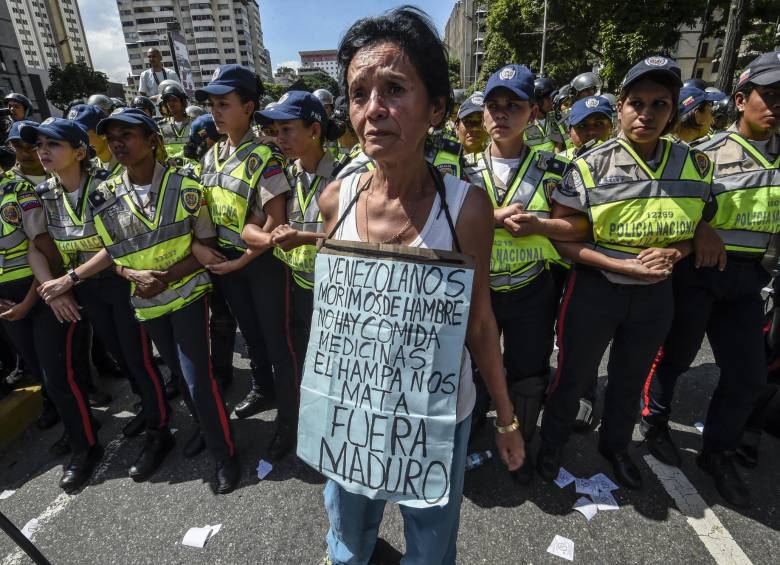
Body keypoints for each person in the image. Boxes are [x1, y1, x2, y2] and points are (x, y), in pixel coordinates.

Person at [317, 9, 524, 564]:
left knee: (431, 547)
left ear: (436, 108)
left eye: (394, 89)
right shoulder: (335, 201)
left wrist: (506, 420)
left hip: (436, 419)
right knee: (347, 539)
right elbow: (333, 319)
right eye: (358, 94)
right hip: (352, 414)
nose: (373, 110)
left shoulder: (466, 209)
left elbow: (480, 323)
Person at [38, 108, 239, 494]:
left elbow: (207, 246)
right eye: (112, 138)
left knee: (197, 379)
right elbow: (111, 255)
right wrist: (132, 276)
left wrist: (163, 278)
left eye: (127, 135)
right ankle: (205, 427)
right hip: (147, 302)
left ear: (152, 140)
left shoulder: (186, 186)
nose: (118, 144)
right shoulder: (104, 196)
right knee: (178, 374)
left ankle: (224, 454)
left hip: (187, 294)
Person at [537, 56, 713, 490]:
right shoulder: (589, 166)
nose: (646, 114)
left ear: (673, 110)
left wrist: (677, 251)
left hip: (655, 295)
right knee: (573, 376)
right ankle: (552, 444)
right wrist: (622, 264)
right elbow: (563, 239)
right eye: (637, 103)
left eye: (659, 104)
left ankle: (615, 447)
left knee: (629, 379)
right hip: (596, 289)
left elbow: (697, 229)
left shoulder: (695, 165)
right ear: (620, 107)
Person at [641, 50, 780, 508]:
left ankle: (717, 453)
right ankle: (655, 422)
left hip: (750, 279)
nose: (777, 106)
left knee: (748, 376)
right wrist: (700, 227)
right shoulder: (703, 155)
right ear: (740, 100)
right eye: (769, 95)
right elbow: (667, 204)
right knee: (676, 355)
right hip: (698, 271)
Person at [21, 118, 173, 481]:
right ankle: (148, 407)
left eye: (53, 144)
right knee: (119, 354)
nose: (43, 151)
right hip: (86, 287)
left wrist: (69, 279)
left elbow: (115, 244)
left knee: (138, 358)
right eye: (39, 145)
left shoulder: (106, 186)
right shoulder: (44, 193)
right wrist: (52, 286)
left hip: (120, 281)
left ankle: (159, 432)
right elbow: (36, 247)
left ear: (79, 152)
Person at [463, 64, 575, 484]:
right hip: (478, 289)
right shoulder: (460, 169)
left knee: (528, 372)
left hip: (531, 288)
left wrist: (541, 225)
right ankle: (471, 428)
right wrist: (491, 218)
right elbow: (442, 223)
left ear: (533, 113)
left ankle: (520, 443)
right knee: (470, 366)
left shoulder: (555, 167)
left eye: (514, 105)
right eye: (493, 105)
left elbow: (579, 226)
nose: (501, 113)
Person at [194, 65, 299, 459]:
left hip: (262, 262)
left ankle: (289, 421)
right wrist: (206, 251)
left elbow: (275, 221)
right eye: (212, 104)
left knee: (278, 343)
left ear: (249, 107)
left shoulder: (265, 156)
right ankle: (262, 388)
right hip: (226, 262)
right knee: (251, 335)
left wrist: (240, 262)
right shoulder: (211, 155)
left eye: (224, 103)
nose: (215, 111)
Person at [0, 118, 100, 492]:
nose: (42, 151)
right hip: (9, 304)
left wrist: (37, 298)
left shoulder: (17, 192)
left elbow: (44, 251)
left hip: (41, 294)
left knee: (60, 377)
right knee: (45, 376)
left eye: (50, 144)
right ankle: (80, 427)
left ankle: (86, 447)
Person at [256, 91, 339, 368]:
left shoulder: (345, 177)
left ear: (314, 130)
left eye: (287, 129)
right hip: (295, 287)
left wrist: (302, 239)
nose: (279, 138)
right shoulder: (284, 175)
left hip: (335, 291)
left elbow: (356, 242)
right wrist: (270, 236)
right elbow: (253, 226)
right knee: (304, 359)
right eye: (275, 131)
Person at [68, 104, 125, 179]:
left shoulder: (130, 163)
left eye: (83, 135)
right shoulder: (89, 168)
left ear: (103, 133)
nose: (79, 142)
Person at [157, 83, 193, 159]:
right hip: (170, 166)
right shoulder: (161, 125)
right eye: (168, 101)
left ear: (182, 102)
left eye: (174, 100)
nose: (170, 103)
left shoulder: (194, 123)